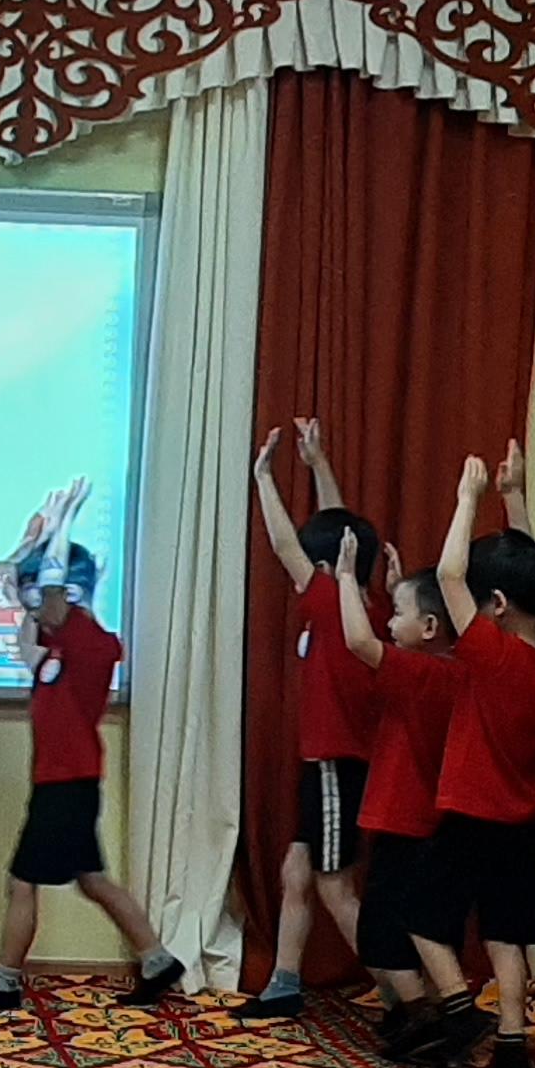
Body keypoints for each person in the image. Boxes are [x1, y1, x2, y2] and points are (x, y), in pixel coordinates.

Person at [0, 482, 185, 1011]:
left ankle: (4, 981)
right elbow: (24, 607)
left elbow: (51, 591)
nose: (33, 600)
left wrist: (63, 532)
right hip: (60, 780)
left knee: (24, 880)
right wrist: (41, 533)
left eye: (44, 592)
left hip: (68, 783)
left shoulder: (90, 644)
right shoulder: (52, 645)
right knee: (93, 879)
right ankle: (157, 960)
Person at [415, 445, 535, 1068]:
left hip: (467, 812)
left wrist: (467, 499)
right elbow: (531, 567)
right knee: (508, 934)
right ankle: (510, 1038)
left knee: (423, 920)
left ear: (496, 605)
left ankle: (457, 1009)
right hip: (522, 818)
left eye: (481, 603)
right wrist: (516, 498)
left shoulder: (494, 656)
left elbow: (451, 577)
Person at [237, 420, 379, 1018]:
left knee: (332, 883)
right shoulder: (349, 600)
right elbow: (337, 534)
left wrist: (265, 477)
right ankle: (285, 983)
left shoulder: (328, 601)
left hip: (334, 762)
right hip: (322, 762)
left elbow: (284, 547)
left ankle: (411, 993)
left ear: (325, 569)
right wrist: (319, 465)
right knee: (299, 869)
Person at [335, 540, 461, 1059]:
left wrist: (345, 576)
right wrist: (395, 593)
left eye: (399, 614)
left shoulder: (425, 672)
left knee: (383, 932)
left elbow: (360, 642)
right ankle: (423, 1013)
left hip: (404, 819)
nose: (389, 621)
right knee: (407, 924)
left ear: (430, 628)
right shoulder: (449, 667)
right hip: (420, 818)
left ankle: (421, 1016)